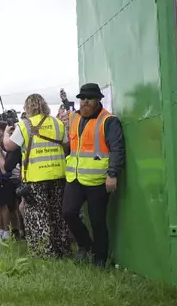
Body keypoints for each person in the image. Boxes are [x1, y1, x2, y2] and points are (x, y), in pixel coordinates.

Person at [61, 83, 125, 267]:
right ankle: (84, 244)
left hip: (98, 179)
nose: (85, 102)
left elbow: (117, 149)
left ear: (98, 100)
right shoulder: (74, 118)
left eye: (89, 99)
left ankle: (100, 259)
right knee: (68, 212)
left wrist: (112, 174)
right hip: (75, 177)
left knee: (98, 220)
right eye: (82, 99)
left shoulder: (109, 120)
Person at [3, 93, 71, 257]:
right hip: (59, 174)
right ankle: (61, 248)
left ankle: (43, 252)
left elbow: (9, 146)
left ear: (28, 107)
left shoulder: (24, 125)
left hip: (35, 177)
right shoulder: (57, 123)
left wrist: (6, 133)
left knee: (37, 215)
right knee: (57, 214)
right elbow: (66, 145)